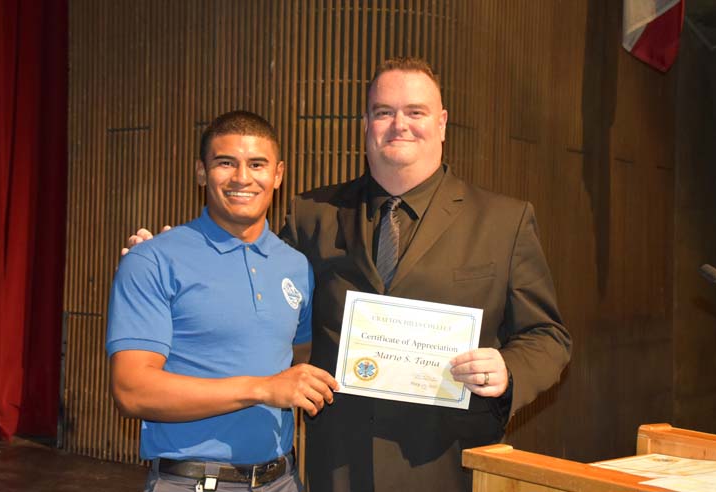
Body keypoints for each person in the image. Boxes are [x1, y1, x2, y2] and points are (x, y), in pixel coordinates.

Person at [126, 57, 571, 492]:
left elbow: (547, 335)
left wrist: (509, 371)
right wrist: (169, 253)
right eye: (384, 112)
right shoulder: (311, 216)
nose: (400, 124)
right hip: (336, 465)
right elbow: (252, 291)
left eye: (416, 112)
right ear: (366, 124)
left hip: (448, 464)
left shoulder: (504, 221)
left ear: (441, 123)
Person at [107, 110, 338, 492]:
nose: (242, 178)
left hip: (282, 481)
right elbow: (131, 390)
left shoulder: (296, 266)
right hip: (192, 483)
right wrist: (262, 388)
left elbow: (302, 357)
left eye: (257, 164)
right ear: (201, 173)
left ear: (278, 174)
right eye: (225, 162)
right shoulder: (153, 260)